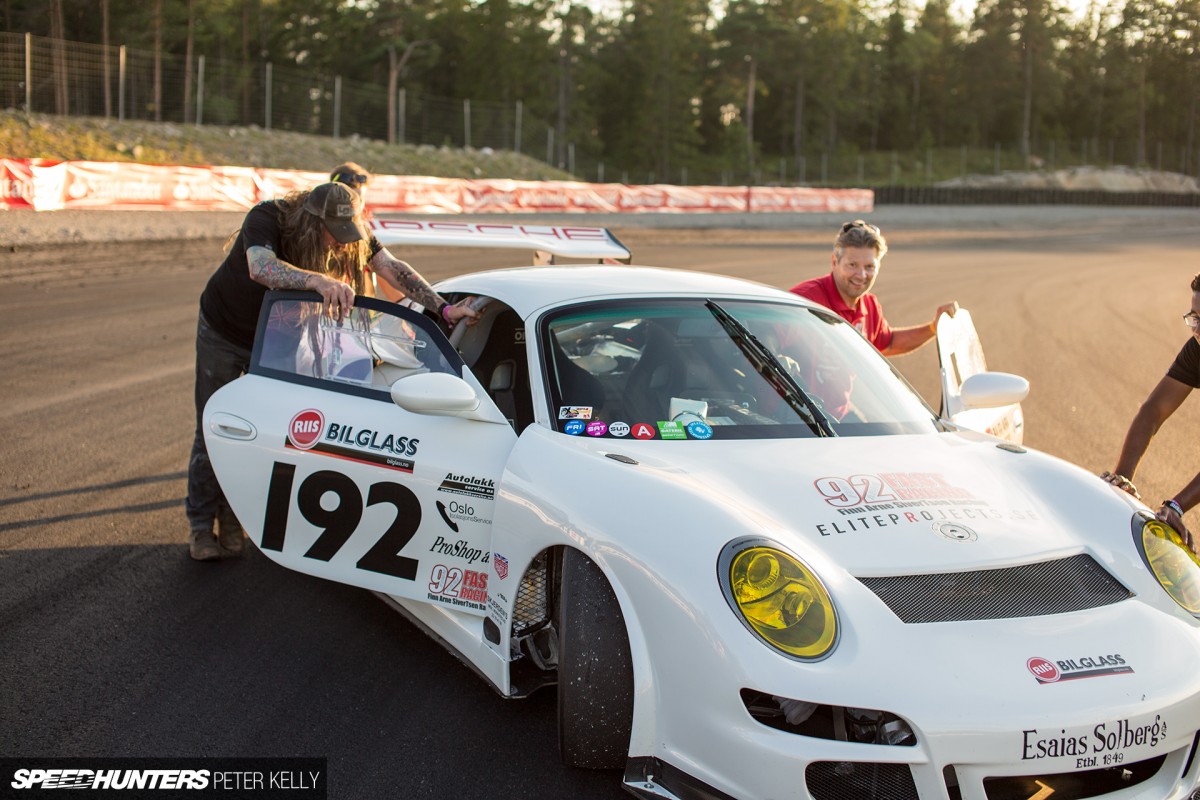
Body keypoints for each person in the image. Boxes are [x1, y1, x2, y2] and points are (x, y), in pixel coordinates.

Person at [186, 181, 477, 561]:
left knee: (274, 428)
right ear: (311, 222)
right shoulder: (266, 217)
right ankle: (200, 523)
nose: (341, 244)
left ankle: (235, 516)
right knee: (213, 422)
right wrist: (316, 279)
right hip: (226, 329)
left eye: (347, 235)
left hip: (279, 336)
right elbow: (260, 267)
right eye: (334, 234)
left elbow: (391, 267)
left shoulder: (352, 235)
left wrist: (443, 308)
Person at [1101, 273, 1200, 553]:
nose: (1197, 330)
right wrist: (1122, 478)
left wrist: (1176, 506)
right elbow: (1154, 410)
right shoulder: (1197, 350)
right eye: (1194, 317)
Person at [790, 219, 958, 356]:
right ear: (835, 262)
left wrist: (934, 327)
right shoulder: (805, 301)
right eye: (853, 265)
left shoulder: (869, 304)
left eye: (869, 267)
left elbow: (888, 343)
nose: (861, 275)